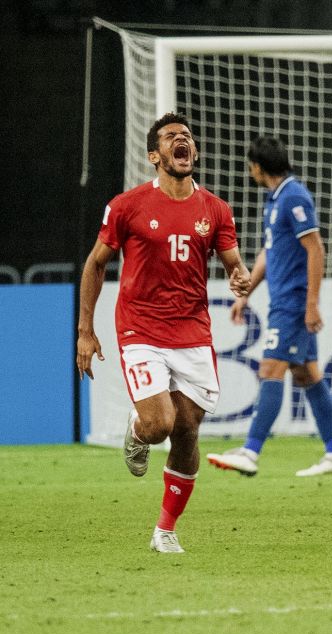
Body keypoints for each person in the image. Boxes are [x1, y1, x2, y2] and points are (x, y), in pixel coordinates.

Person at [76, 112, 252, 553]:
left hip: (193, 332)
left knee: (188, 431)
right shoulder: (128, 205)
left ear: (194, 152)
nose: (182, 141)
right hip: (141, 328)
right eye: (172, 137)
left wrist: (240, 275)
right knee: (159, 424)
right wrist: (86, 330)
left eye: (187, 137)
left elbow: (233, 261)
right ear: (155, 155)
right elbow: (96, 263)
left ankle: (165, 530)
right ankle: (137, 429)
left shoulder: (215, 209)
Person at [206, 137, 332, 477]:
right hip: (283, 300)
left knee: (270, 369)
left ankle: (251, 452)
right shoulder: (275, 200)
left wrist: (311, 304)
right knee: (306, 374)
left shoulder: (294, 195)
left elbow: (315, 248)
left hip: (294, 303)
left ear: (257, 167)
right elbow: (270, 253)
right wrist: (246, 294)